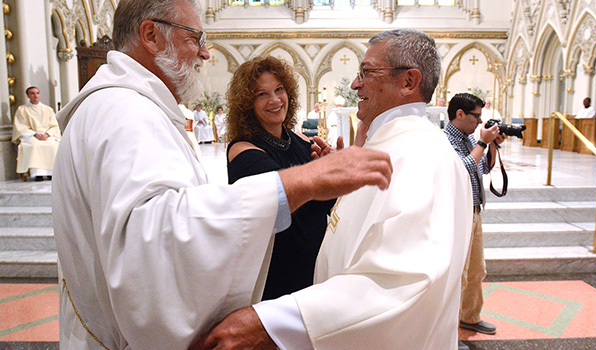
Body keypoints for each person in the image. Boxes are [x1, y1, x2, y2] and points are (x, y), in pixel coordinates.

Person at [51, 1, 393, 349]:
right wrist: (306, 180)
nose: (204, 52)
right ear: (151, 35)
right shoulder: (124, 113)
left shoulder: (128, 108)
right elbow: (157, 238)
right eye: (194, 38)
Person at [194, 29, 473, 350]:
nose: (354, 84)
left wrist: (271, 323)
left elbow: (399, 284)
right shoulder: (393, 145)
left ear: (408, 82)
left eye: (366, 72)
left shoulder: (419, 155)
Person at [225, 56, 336, 301]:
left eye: (279, 89)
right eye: (261, 94)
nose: (275, 100)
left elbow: (327, 203)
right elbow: (281, 203)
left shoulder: (302, 142)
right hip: (277, 272)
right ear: (247, 103)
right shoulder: (242, 150)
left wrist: (328, 172)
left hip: (315, 267)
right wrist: (327, 173)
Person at [444, 92, 507, 337]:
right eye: (476, 116)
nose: (480, 122)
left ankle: (469, 317)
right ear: (460, 114)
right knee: (457, 273)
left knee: (476, 270)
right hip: (457, 213)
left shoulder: (470, 138)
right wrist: (482, 142)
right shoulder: (445, 139)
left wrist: (491, 144)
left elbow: (481, 168)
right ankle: (447, 331)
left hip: (474, 210)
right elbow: (462, 169)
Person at [11, 86, 61, 181]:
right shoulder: (22, 109)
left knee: (53, 145)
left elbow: (54, 125)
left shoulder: (48, 109)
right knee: (34, 145)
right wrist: (34, 134)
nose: (35, 96)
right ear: (28, 96)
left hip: (46, 136)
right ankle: (38, 174)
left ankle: (51, 173)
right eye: (32, 93)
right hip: (32, 136)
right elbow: (21, 126)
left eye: (37, 93)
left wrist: (47, 134)